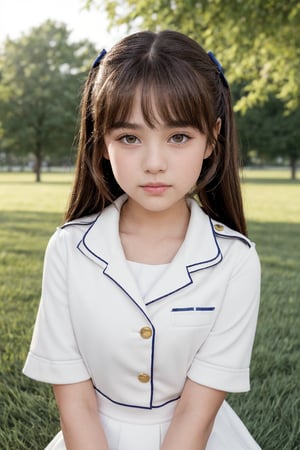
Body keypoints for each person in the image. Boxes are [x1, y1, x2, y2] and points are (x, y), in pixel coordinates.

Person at [23, 30, 261, 450]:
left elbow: (196, 412)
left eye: (179, 137)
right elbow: (75, 403)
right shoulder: (68, 249)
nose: (154, 163)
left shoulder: (235, 260)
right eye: (130, 138)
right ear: (102, 141)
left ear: (213, 137)